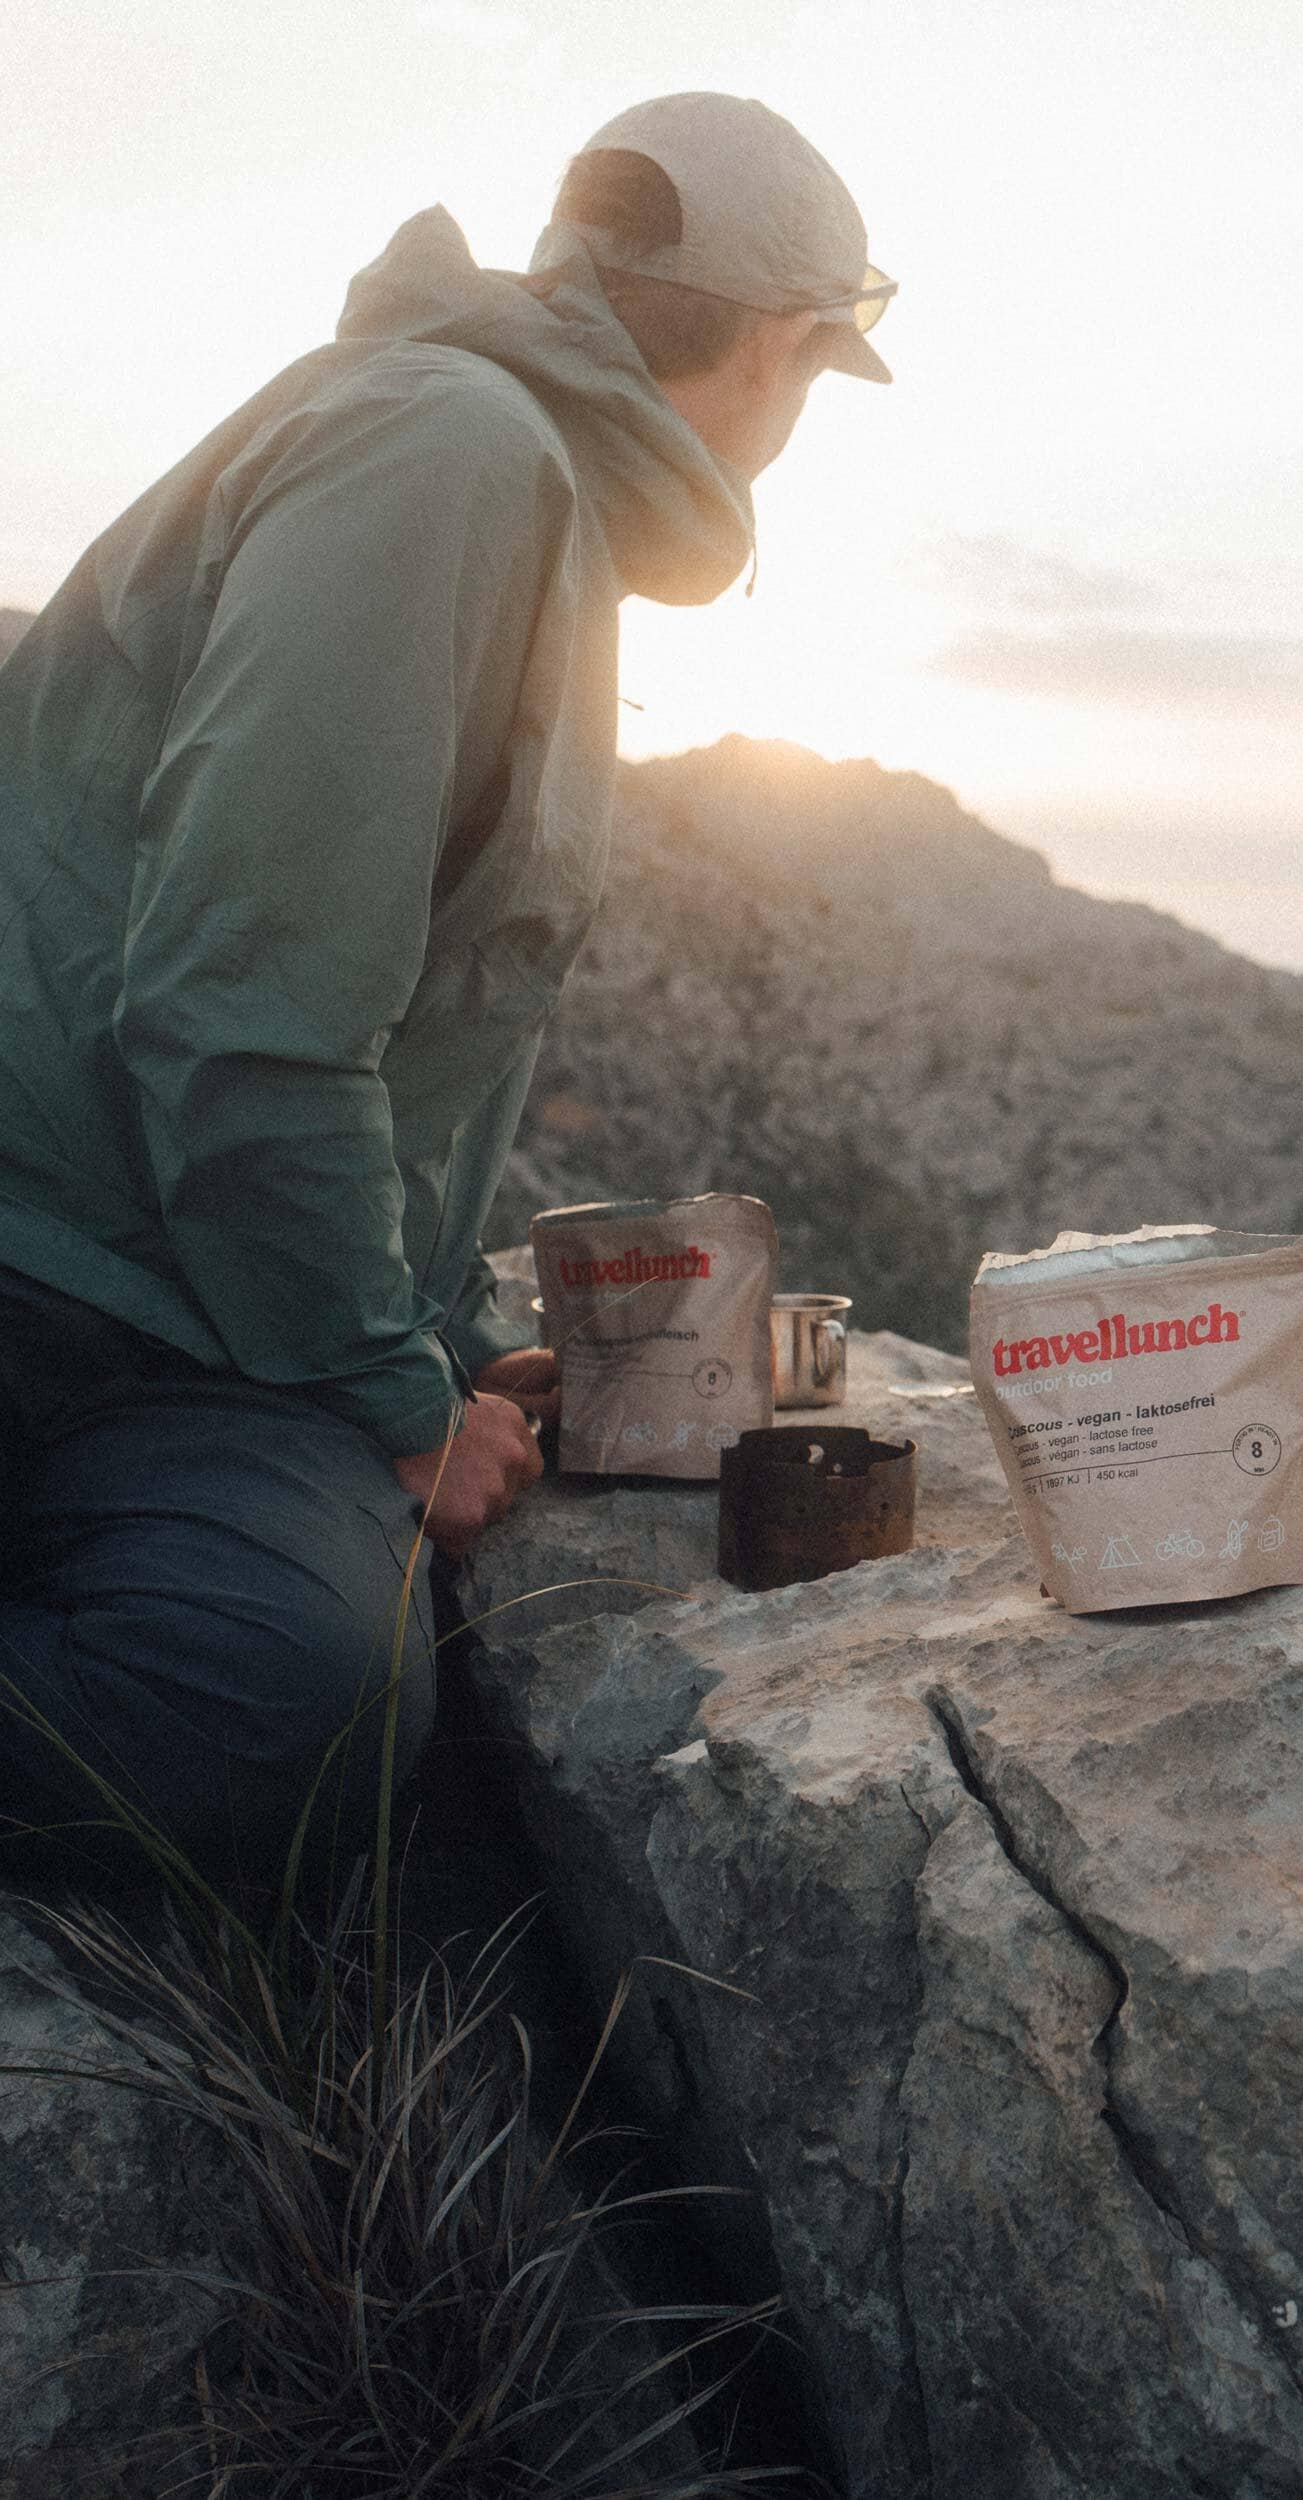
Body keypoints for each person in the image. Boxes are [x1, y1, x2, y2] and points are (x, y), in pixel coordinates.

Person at [0, 93, 896, 1884]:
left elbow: (380, 1024)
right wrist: (396, 1405)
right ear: (786, 352)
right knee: (261, 1702)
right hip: (52, 1262)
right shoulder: (448, 454)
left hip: (187, 1320)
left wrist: (442, 1337)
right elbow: (239, 999)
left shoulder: (517, 481)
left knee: (308, 1683)